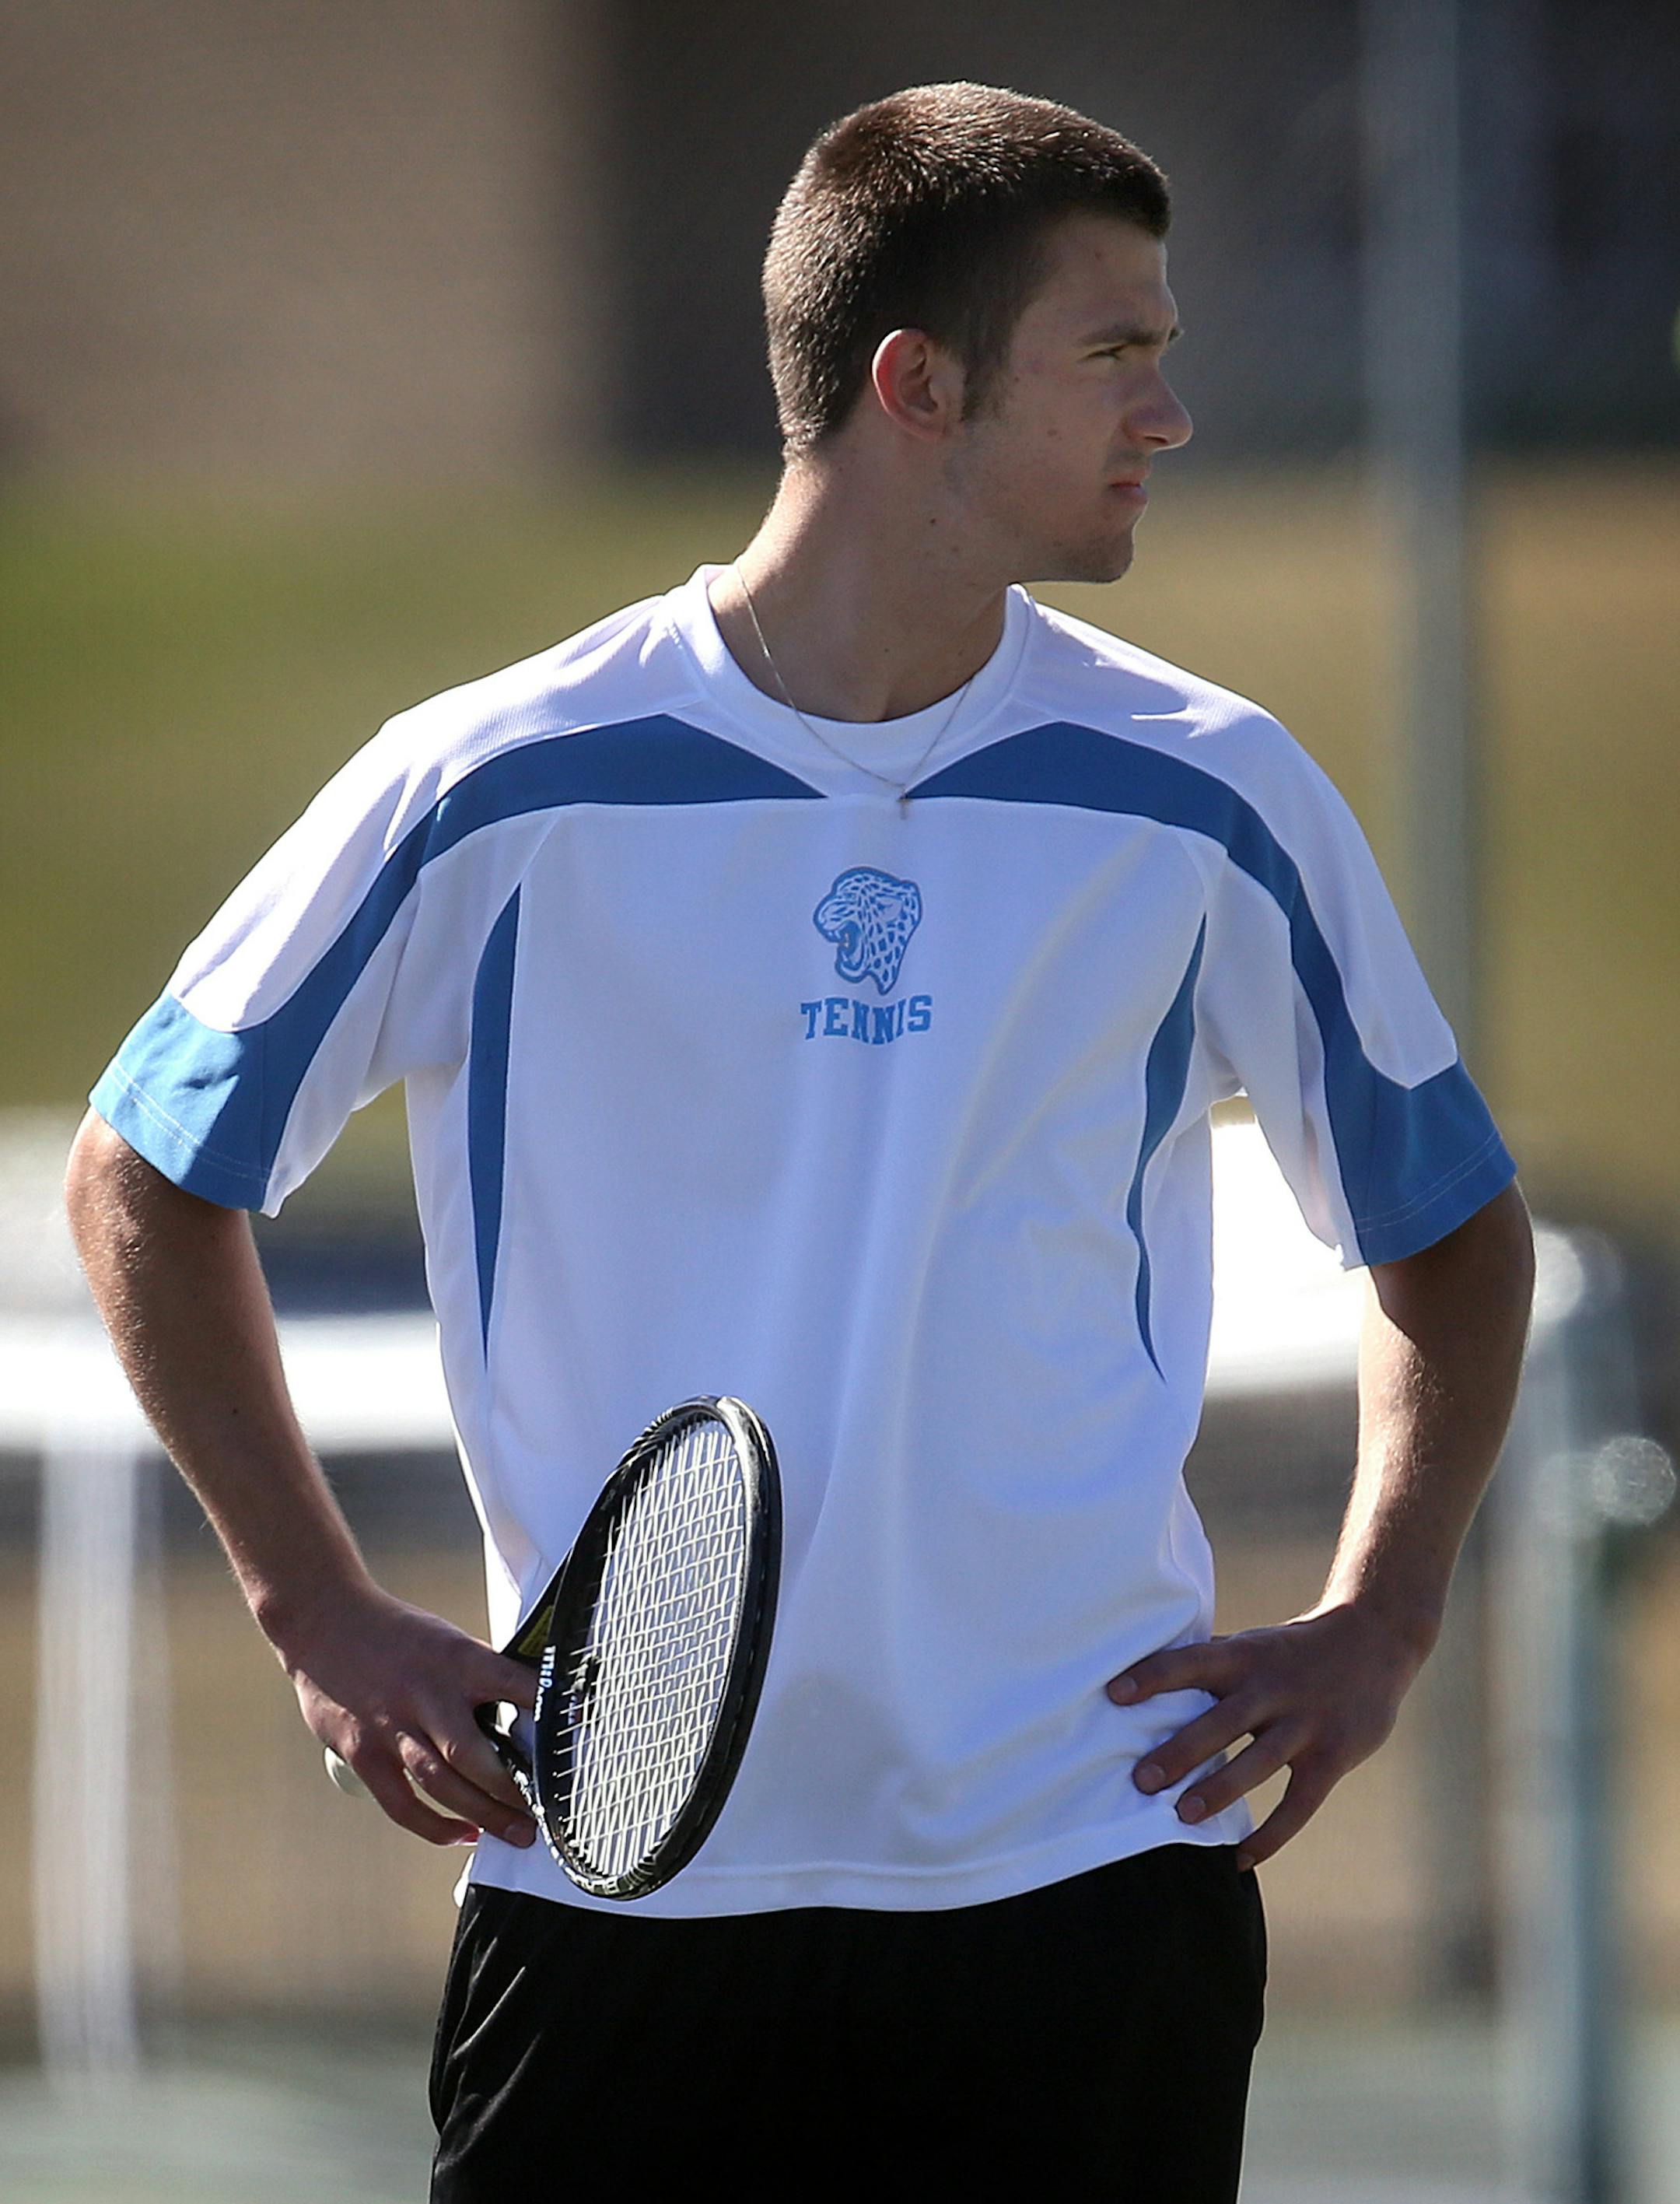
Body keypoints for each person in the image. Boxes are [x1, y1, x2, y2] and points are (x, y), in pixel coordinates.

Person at [65, 82, 1535, 2201]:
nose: (1171, 413)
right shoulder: (490, 781)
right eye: (1115, 352)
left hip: (1087, 1889)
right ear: (915, 384)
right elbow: (146, 1169)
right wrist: (316, 1606)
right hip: (617, 1898)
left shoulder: (1212, 792)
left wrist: (1382, 1613)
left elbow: (1453, 1231)